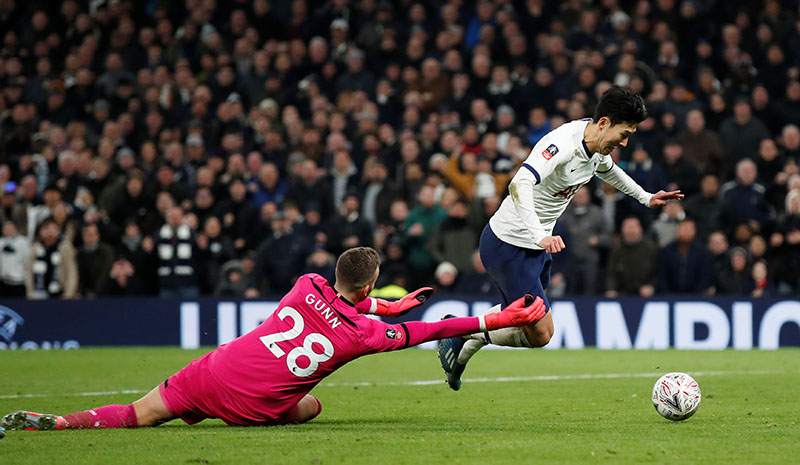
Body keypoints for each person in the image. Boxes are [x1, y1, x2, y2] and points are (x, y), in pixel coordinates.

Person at [2, 247, 546, 431]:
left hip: (212, 372)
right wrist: (493, 321)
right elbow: (430, 330)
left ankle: (60, 423)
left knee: (136, 415)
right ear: (371, 284)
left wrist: (383, 304)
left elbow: (339, 301)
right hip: (254, 407)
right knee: (309, 406)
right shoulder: (363, 335)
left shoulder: (307, 283)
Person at [438, 86, 684, 390]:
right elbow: (520, 183)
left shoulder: (594, 146)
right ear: (604, 122)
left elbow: (607, 170)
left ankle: (461, 342)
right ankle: (460, 333)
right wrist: (540, 233)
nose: (625, 141)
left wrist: (645, 197)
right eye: (624, 133)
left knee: (518, 318)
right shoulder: (561, 144)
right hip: (509, 245)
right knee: (540, 333)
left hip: (535, 247)